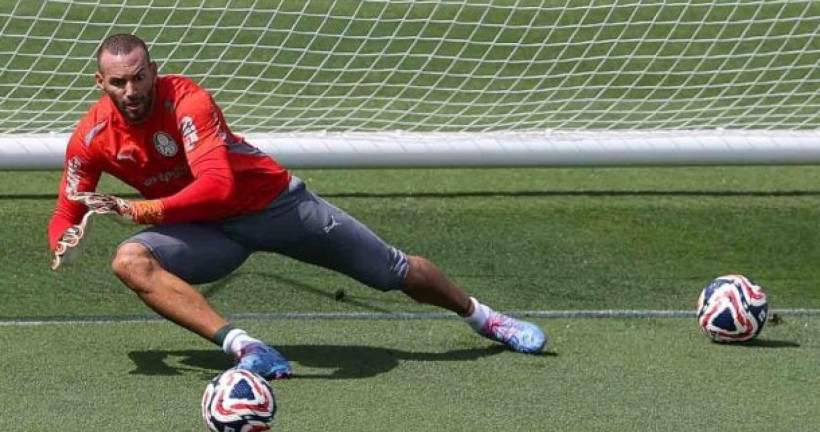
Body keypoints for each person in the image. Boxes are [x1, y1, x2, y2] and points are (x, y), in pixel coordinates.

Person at [48, 34, 546, 380]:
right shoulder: (91, 137)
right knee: (129, 261)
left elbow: (218, 187)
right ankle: (248, 349)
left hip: (275, 206)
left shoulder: (188, 101)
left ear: (154, 70)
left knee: (391, 271)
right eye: (119, 83)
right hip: (208, 234)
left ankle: (485, 318)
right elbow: (66, 209)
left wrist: (139, 211)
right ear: (100, 82)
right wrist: (62, 244)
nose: (131, 91)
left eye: (138, 78)